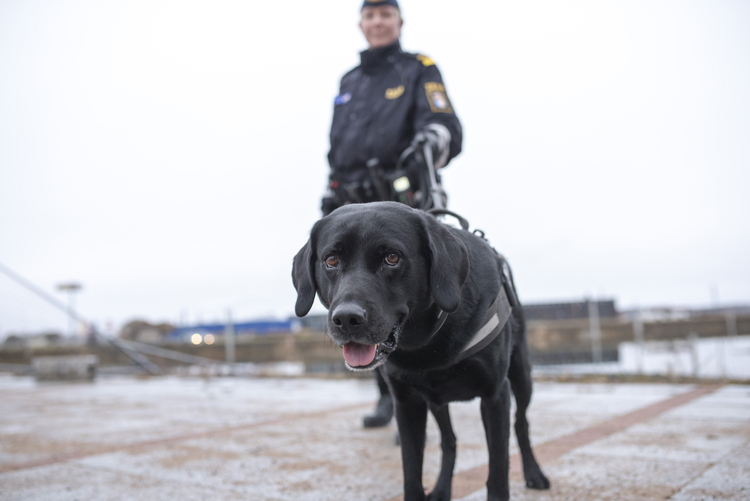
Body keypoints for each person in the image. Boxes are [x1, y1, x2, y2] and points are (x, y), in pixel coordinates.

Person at [322, 0, 463, 428]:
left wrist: (433, 138)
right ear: (361, 24)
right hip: (350, 202)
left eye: (385, 15)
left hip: (404, 203)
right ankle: (390, 395)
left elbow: (445, 126)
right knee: (360, 300)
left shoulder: (418, 68)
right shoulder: (349, 81)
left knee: (405, 302)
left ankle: (423, 395)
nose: (377, 22)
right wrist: (330, 198)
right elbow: (337, 149)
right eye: (370, 15)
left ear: (399, 22)